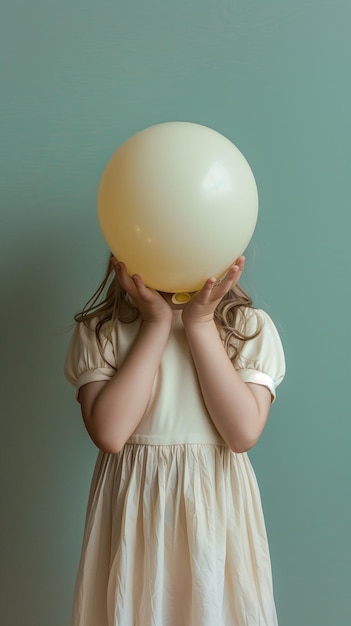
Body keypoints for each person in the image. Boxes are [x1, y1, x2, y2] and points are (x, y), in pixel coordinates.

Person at [64, 253, 285, 626]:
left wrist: (198, 323)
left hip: (214, 516)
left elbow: (243, 432)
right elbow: (110, 433)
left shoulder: (245, 326)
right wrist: (156, 324)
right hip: (136, 516)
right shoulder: (101, 329)